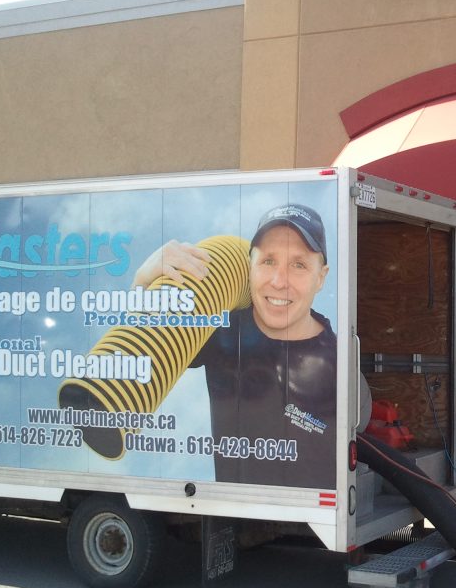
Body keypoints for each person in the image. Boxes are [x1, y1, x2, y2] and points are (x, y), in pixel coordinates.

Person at [133, 203, 337, 488]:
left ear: (321, 277)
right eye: (268, 261)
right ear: (250, 266)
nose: (279, 282)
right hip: (238, 512)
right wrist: (143, 281)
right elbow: (140, 358)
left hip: (314, 518)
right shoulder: (222, 333)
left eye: (298, 264)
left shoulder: (339, 360)